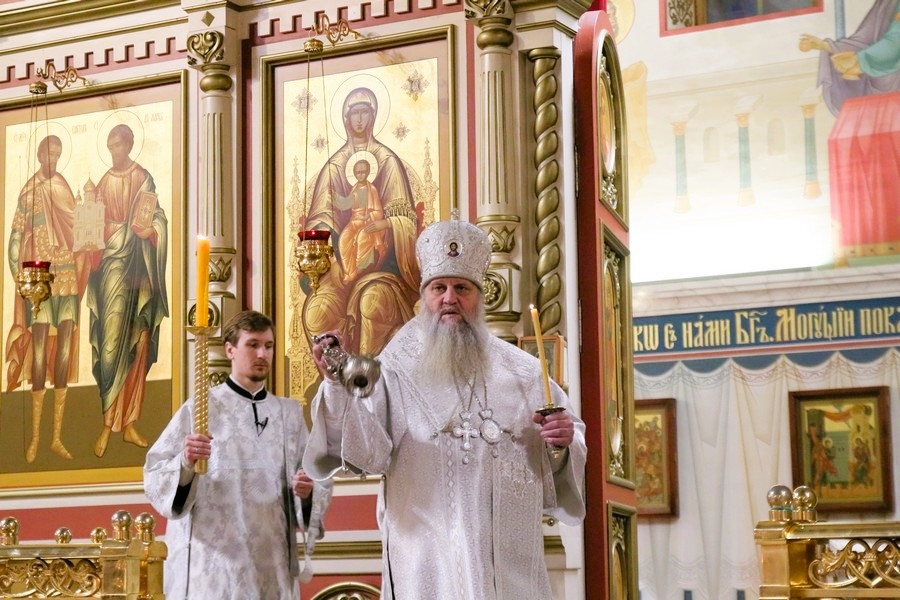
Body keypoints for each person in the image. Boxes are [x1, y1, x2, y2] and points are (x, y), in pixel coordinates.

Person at [303, 218, 586, 600]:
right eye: (439, 288)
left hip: (507, 569)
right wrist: (336, 384)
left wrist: (562, 443)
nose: (450, 299)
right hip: (427, 566)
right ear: (425, 297)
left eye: (462, 288)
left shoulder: (524, 372)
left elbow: (562, 453)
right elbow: (366, 453)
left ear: (479, 297)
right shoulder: (396, 366)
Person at [144, 310, 332, 600]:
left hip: (272, 564)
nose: (262, 354)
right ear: (230, 350)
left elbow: (313, 478)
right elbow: (156, 471)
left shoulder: (289, 414)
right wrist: (185, 462)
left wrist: (306, 493)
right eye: (252, 345)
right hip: (215, 567)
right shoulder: (201, 408)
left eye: (268, 346)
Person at [302, 86, 421, 357]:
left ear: (373, 116)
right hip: (338, 270)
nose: (359, 120)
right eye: (354, 113)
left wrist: (386, 225)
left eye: (364, 112)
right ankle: (337, 378)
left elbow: (405, 221)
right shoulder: (334, 166)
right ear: (345, 119)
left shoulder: (387, 162)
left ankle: (370, 379)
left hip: (384, 269)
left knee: (373, 302)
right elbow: (319, 223)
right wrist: (331, 261)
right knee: (318, 313)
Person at [87, 123, 169, 457]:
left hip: (139, 270)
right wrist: (94, 221)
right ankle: (107, 423)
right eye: (110, 147)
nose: (114, 152)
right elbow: (92, 226)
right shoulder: (104, 182)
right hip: (111, 270)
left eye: (118, 146)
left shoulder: (144, 178)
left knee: (140, 340)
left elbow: (158, 217)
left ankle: (130, 421)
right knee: (110, 345)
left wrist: (152, 230)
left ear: (129, 145)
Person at [6, 134, 88, 463]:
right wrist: (18, 274)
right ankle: (36, 437)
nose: (52, 158)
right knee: (39, 353)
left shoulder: (64, 187)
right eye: (48, 153)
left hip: (67, 275)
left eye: (57, 153)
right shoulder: (29, 191)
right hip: (39, 279)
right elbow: (15, 237)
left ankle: (56, 438)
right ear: (40, 155)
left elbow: (80, 228)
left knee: (64, 353)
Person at [799, 0, 900, 116]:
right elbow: (865, 38)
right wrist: (826, 46)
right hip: (878, 95)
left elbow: (895, 43)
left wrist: (859, 61)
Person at [336, 158, 387, 285]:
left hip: (368, 222)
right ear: (354, 173)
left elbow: (379, 212)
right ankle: (349, 273)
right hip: (354, 222)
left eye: (363, 172)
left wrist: (369, 216)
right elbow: (346, 204)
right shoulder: (354, 188)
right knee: (343, 240)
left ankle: (360, 269)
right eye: (358, 172)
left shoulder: (372, 189)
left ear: (368, 172)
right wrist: (335, 198)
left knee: (361, 237)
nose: (361, 175)